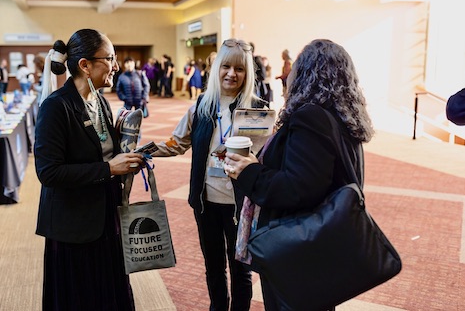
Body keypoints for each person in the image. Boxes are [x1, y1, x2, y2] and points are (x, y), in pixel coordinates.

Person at [223, 39, 374, 310]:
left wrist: (250, 171)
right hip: (325, 244)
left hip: (300, 249)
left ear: (305, 73)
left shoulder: (311, 117)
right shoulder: (344, 118)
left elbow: (297, 188)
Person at [34, 28, 144, 310]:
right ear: (85, 65)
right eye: (110, 58)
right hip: (74, 224)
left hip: (105, 215)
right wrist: (108, 169)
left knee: (107, 290)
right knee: (80, 296)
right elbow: (48, 173)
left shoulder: (101, 101)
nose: (116, 66)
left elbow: (103, 150)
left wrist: (128, 154)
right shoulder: (56, 107)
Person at [152, 39, 266, 311]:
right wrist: (143, 151)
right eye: (226, 66)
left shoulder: (257, 110)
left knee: (241, 270)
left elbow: (265, 159)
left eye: (239, 69)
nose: (231, 74)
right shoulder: (202, 105)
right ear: (216, 68)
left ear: (247, 74)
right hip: (206, 203)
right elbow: (177, 143)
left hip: (241, 205)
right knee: (213, 266)